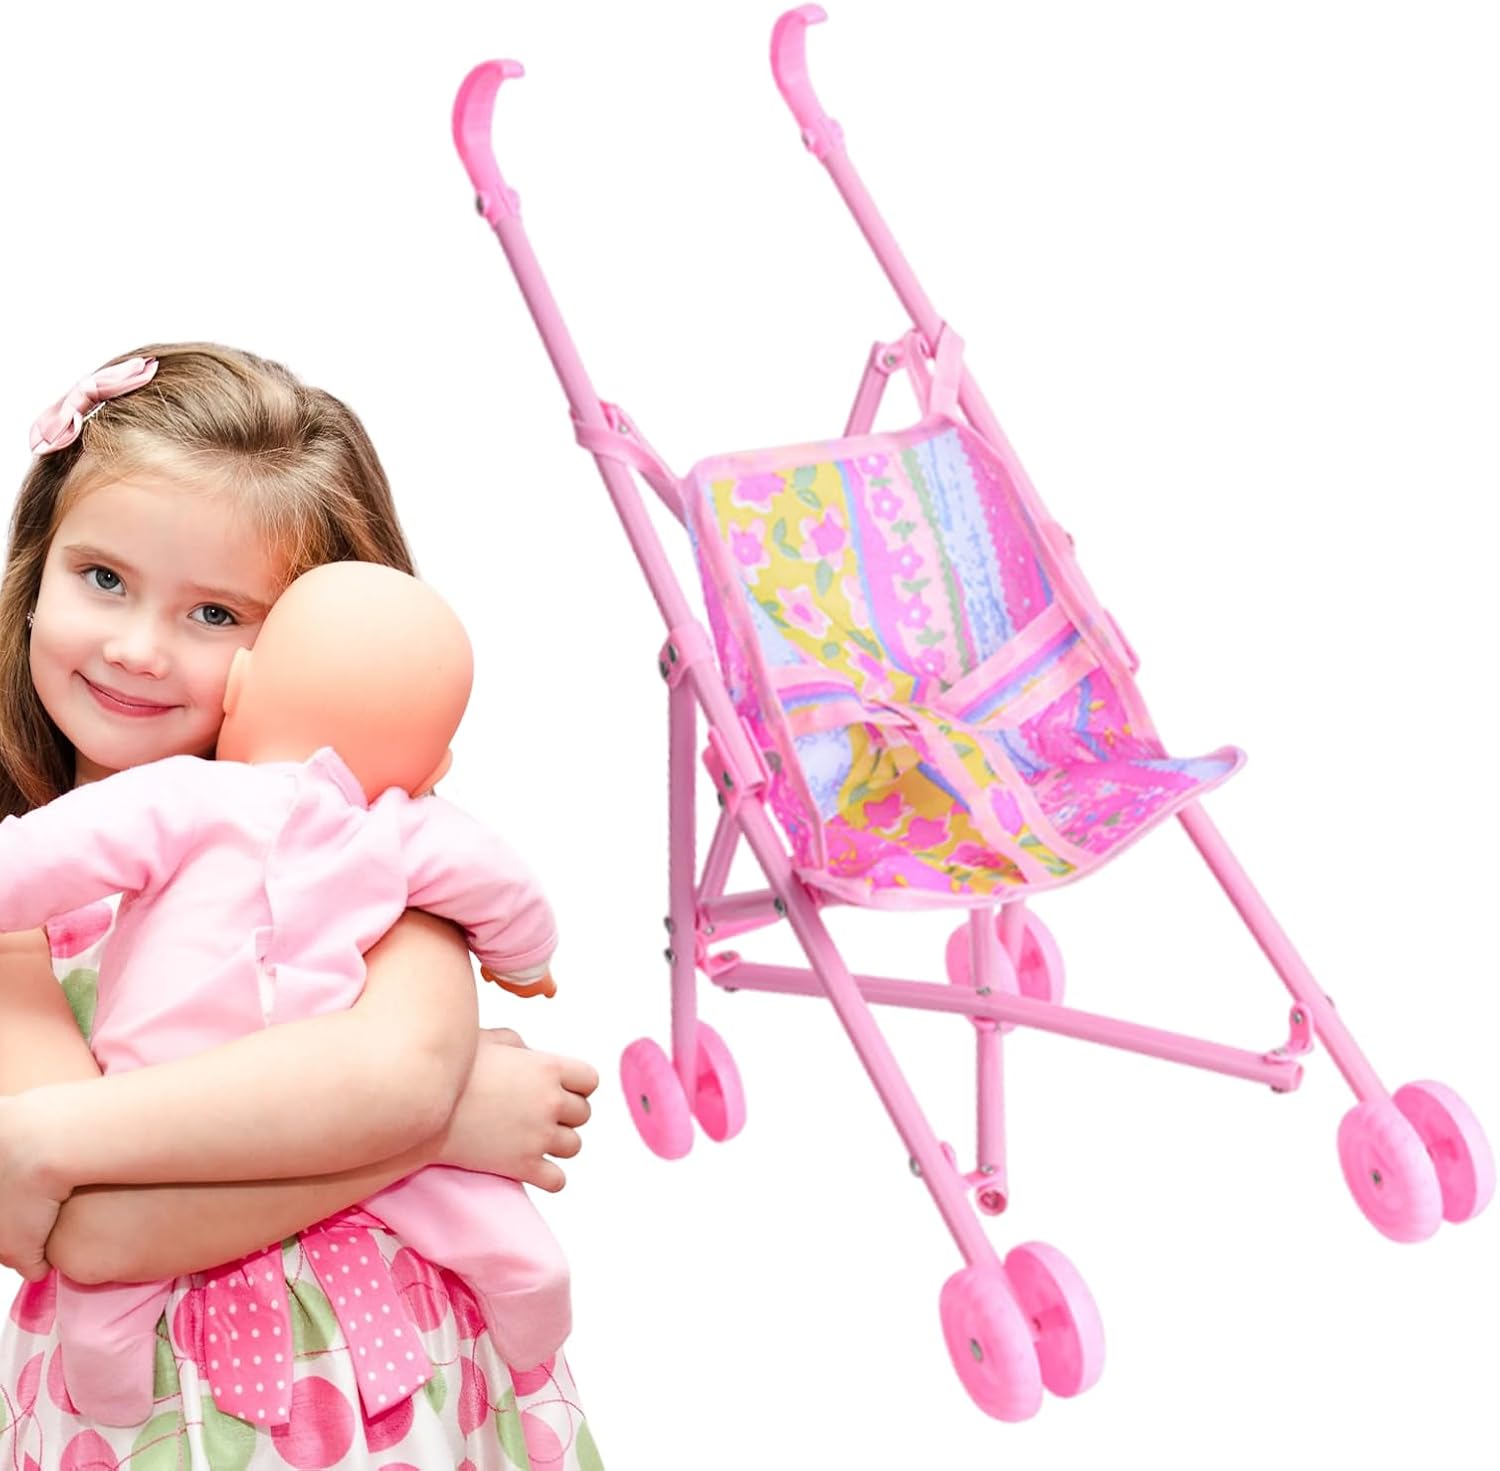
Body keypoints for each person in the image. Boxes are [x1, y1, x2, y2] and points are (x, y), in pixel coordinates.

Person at [0, 345, 605, 1468]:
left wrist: (44, 1136)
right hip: (148, 1423)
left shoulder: (363, 845)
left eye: (215, 611)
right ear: (37, 568)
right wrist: (444, 1129)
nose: (137, 647)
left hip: (411, 1398)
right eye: (102, 578)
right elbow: (92, 1229)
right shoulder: (19, 911)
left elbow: (397, 1077)